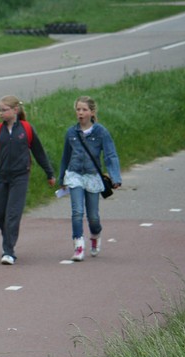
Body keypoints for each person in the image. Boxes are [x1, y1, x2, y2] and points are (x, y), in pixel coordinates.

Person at [0, 95, 56, 265]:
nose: (0, 113)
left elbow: (39, 152)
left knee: (12, 215)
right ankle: (8, 238)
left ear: (15, 110)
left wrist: (49, 173)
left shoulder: (26, 129)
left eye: (4, 110)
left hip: (20, 177)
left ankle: (8, 251)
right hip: (2, 177)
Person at [57, 95, 122, 261]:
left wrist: (115, 177)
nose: (80, 112)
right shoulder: (71, 132)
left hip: (92, 176)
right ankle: (78, 246)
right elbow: (65, 157)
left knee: (93, 216)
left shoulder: (101, 132)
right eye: (78, 109)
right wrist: (61, 178)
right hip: (75, 175)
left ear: (92, 112)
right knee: (77, 211)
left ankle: (95, 234)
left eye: (84, 109)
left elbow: (110, 155)